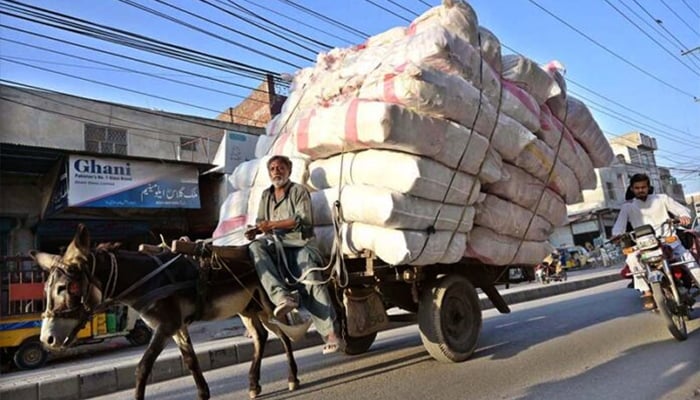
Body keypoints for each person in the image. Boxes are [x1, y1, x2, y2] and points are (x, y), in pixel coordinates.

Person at [245, 155, 342, 354]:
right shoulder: (266, 195)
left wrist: (271, 225)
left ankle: (330, 333)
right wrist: (254, 230)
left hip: (301, 244)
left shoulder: (299, 191)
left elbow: (303, 220)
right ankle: (282, 297)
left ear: (289, 170)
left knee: (311, 279)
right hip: (277, 245)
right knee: (255, 248)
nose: (276, 171)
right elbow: (261, 221)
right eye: (272, 168)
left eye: (281, 167)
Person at [612, 173, 700, 310]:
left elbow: (682, 210)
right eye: (637, 188)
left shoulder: (662, 199)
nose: (640, 190)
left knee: (689, 260)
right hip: (644, 245)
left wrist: (683, 216)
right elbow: (619, 225)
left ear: (648, 187)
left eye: (643, 187)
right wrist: (617, 234)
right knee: (632, 259)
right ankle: (646, 292)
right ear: (632, 189)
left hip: (669, 240)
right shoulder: (627, 207)